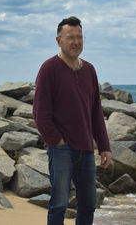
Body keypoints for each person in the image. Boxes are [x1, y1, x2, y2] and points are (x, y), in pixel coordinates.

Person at [33, 16, 112, 225]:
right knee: (59, 204)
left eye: (79, 37)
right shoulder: (48, 69)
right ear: (59, 41)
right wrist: (57, 141)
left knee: (88, 204)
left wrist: (104, 146)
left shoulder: (90, 70)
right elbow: (40, 113)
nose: (76, 42)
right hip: (61, 150)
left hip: (86, 149)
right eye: (70, 37)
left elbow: (96, 111)